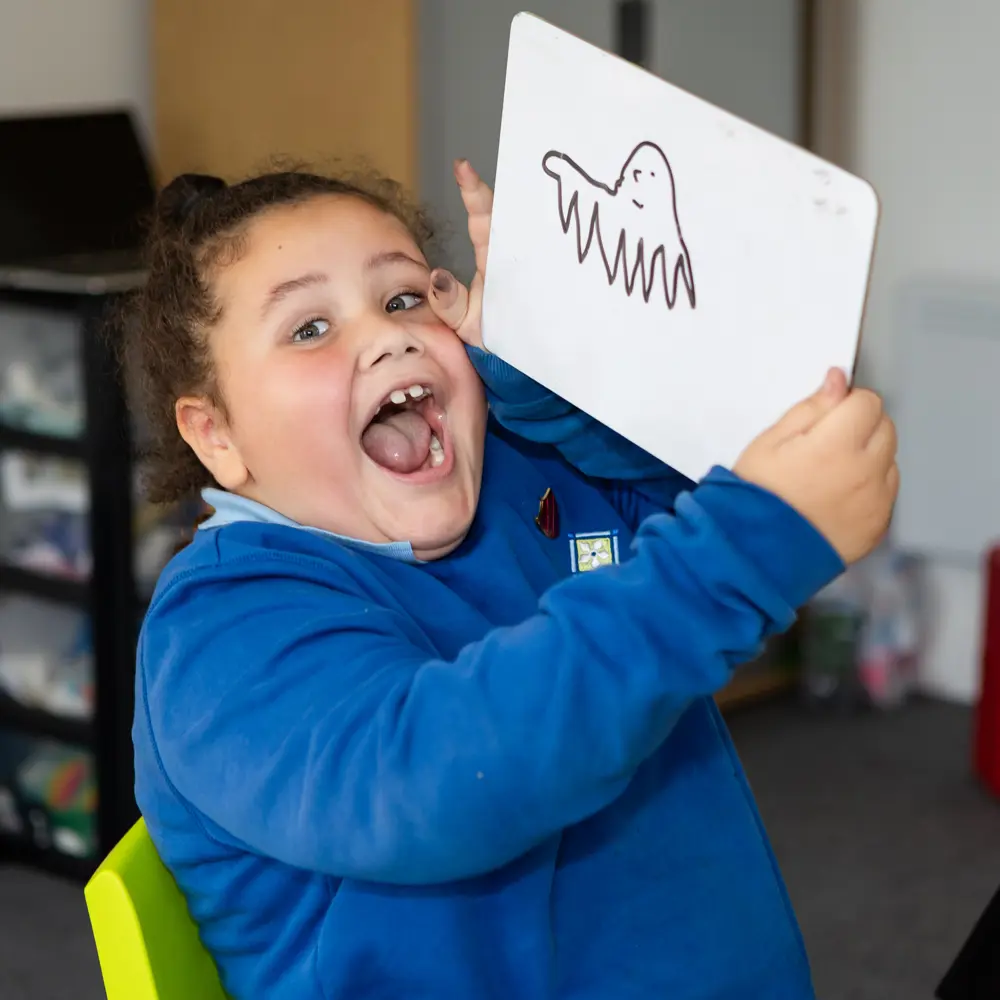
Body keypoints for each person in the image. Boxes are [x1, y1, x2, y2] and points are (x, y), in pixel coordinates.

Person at [124, 159, 898, 1000]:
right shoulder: (220, 626)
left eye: (403, 297)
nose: (388, 335)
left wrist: (542, 380)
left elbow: (685, 505)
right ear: (216, 437)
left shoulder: (518, 474)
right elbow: (437, 776)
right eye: (309, 329)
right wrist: (750, 545)